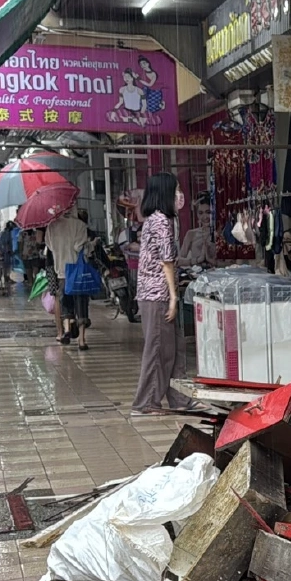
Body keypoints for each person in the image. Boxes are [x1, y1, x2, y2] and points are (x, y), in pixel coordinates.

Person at [131, 172, 194, 415]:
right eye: (177, 190)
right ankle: (146, 403)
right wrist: (174, 298)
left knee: (175, 349)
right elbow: (167, 262)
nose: (180, 195)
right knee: (158, 350)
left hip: (155, 294)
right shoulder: (161, 221)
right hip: (158, 295)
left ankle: (180, 399)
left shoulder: (156, 219)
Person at [46, 209, 91, 349]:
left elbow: (50, 247)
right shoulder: (79, 225)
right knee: (81, 303)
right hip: (77, 271)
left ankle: (66, 330)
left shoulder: (52, 226)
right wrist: (90, 245)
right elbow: (78, 247)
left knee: (65, 302)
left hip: (61, 270)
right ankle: (81, 340)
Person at [177, 199, 216, 269]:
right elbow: (178, 261)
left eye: (208, 212)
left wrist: (210, 260)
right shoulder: (191, 234)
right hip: (196, 274)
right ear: (197, 215)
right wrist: (198, 260)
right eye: (200, 213)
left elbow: (233, 263)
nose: (205, 217)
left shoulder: (221, 234)